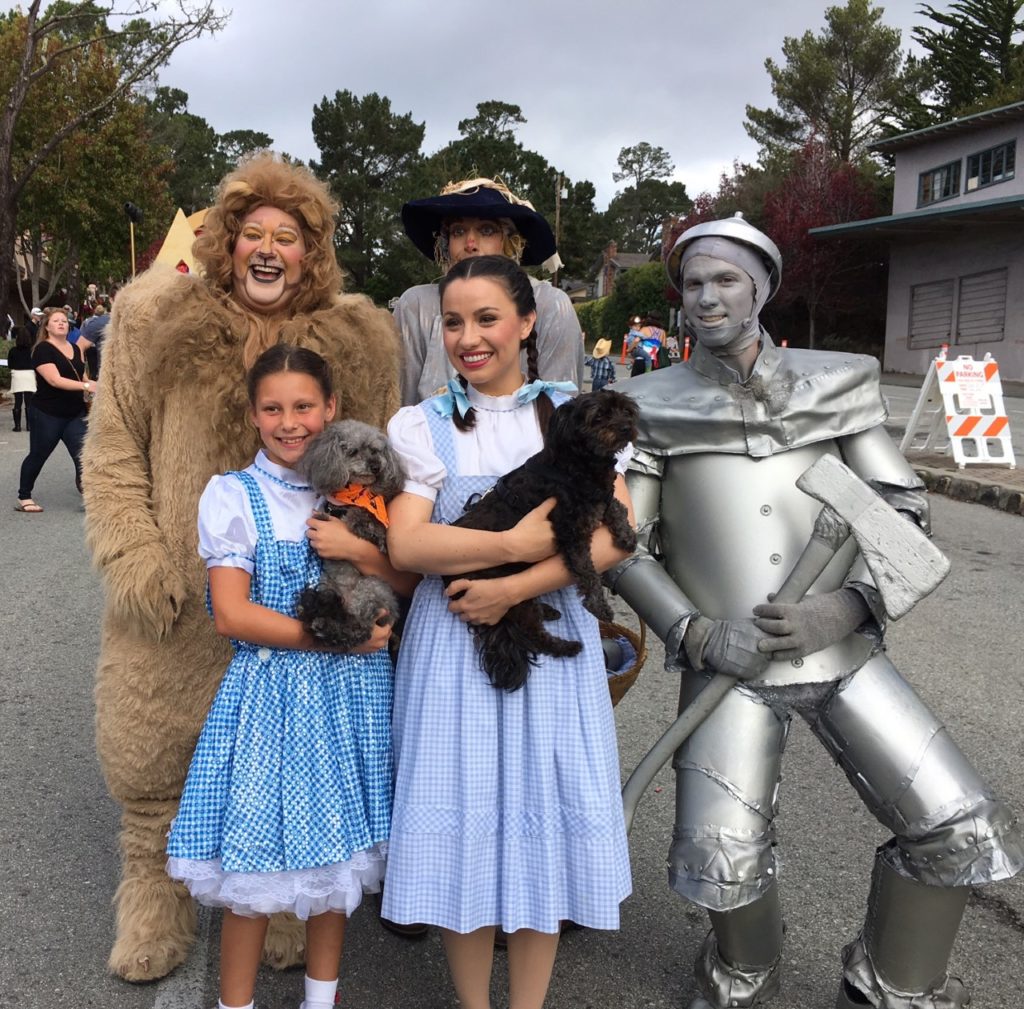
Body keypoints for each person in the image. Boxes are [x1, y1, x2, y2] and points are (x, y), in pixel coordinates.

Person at [609, 214, 1023, 1009]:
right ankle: (742, 966)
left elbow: (900, 510)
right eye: (692, 283)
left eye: (726, 279)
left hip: (841, 652)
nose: (706, 297)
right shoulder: (649, 403)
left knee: (960, 827)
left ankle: (887, 984)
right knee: (717, 858)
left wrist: (846, 606)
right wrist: (692, 630)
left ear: (761, 288)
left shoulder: (839, 382)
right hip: (727, 663)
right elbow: (622, 544)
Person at [81, 154, 401, 982]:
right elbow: (113, 447)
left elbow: (383, 457)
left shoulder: (357, 340)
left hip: (303, 583)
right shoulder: (154, 317)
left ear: (312, 252)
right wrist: (138, 558)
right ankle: (154, 898)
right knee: (154, 753)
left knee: (295, 754)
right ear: (224, 242)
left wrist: (370, 568)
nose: (267, 249)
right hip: (185, 595)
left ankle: (288, 894)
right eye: (251, 232)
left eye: (286, 237)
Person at [383, 255, 632, 1009]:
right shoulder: (420, 424)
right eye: (452, 322)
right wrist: (509, 547)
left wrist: (517, 586)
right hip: (455, 640)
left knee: (542, 826)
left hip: (547, 634)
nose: (468, 337)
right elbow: (409, 546)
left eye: (487, 318)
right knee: (464, 820)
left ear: (528, 322)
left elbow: (618, 536)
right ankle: (474, 1002)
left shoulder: (574, 413)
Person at [166, 344, 404, 1009]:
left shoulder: (364, 495)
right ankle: (234, 1004)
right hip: (277, 697)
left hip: (353, 701)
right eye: (273, 408)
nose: (290, 421)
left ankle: (319, 1002)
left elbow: (410, 578)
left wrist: (360, 551)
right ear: (253, 414)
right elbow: (232, 614)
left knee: (338, 871)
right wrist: (339, 640)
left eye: (304, 405)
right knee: (254, 867)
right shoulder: (235, 494)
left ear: (331, 408)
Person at [395, 177, 584, 407]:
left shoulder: (550, 305)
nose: (470, 243)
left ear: (512, 243)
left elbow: (562, 416)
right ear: (445, 245)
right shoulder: (416, 305)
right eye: (458, 231)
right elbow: (399, 404)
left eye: (486, 230)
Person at [14, 307, 97, 512]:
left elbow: (80, 375)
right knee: (38, 455)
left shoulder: (76, 349)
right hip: (47, 413)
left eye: (64, 321)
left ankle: (90, 496)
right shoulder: (43, 349)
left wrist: (93, 383)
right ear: (47, 327)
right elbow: (54, 380)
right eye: (56, 321)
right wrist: (85, 386)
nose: (61, 323)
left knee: (84, 455)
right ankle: (24, 496)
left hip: (74, 413)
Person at [8, 325, 36, 432]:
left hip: (17, 375)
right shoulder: (32, 350)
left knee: (18, 401)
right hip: (29, 374)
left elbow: (10, 365)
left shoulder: (13, 351)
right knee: (29, 401)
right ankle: (29, 425)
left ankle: (18, 426)